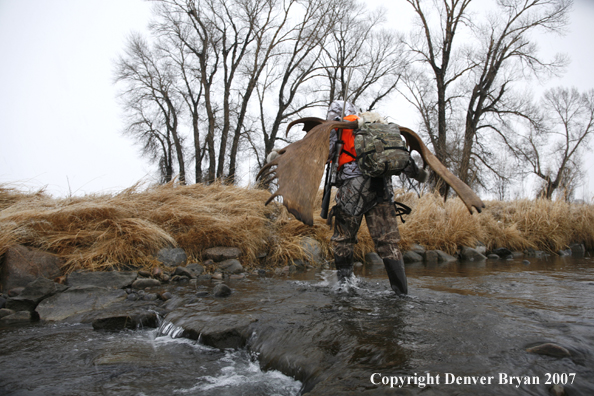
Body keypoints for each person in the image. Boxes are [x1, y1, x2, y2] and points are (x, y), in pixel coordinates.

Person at [326, 100, 426, 295]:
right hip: (382, 187)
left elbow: (326, 154)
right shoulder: (377, 126)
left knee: (343, 239)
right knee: (388, 242)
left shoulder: (337, 128)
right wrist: (418, 173)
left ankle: (345, 288)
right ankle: (401, 293)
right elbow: (399, 157)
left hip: (352, 189)